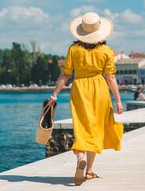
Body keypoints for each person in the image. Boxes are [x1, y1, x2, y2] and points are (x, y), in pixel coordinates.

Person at [47, 12, 124, 186]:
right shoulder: (106, 51)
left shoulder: (74, 50)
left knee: (81, 126)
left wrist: (54, 95)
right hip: (100, 90)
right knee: (95, 128)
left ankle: (80, 157)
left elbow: (65, 74)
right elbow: (111, 78)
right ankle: (88, 170)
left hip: (80, 89)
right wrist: (118, 100)